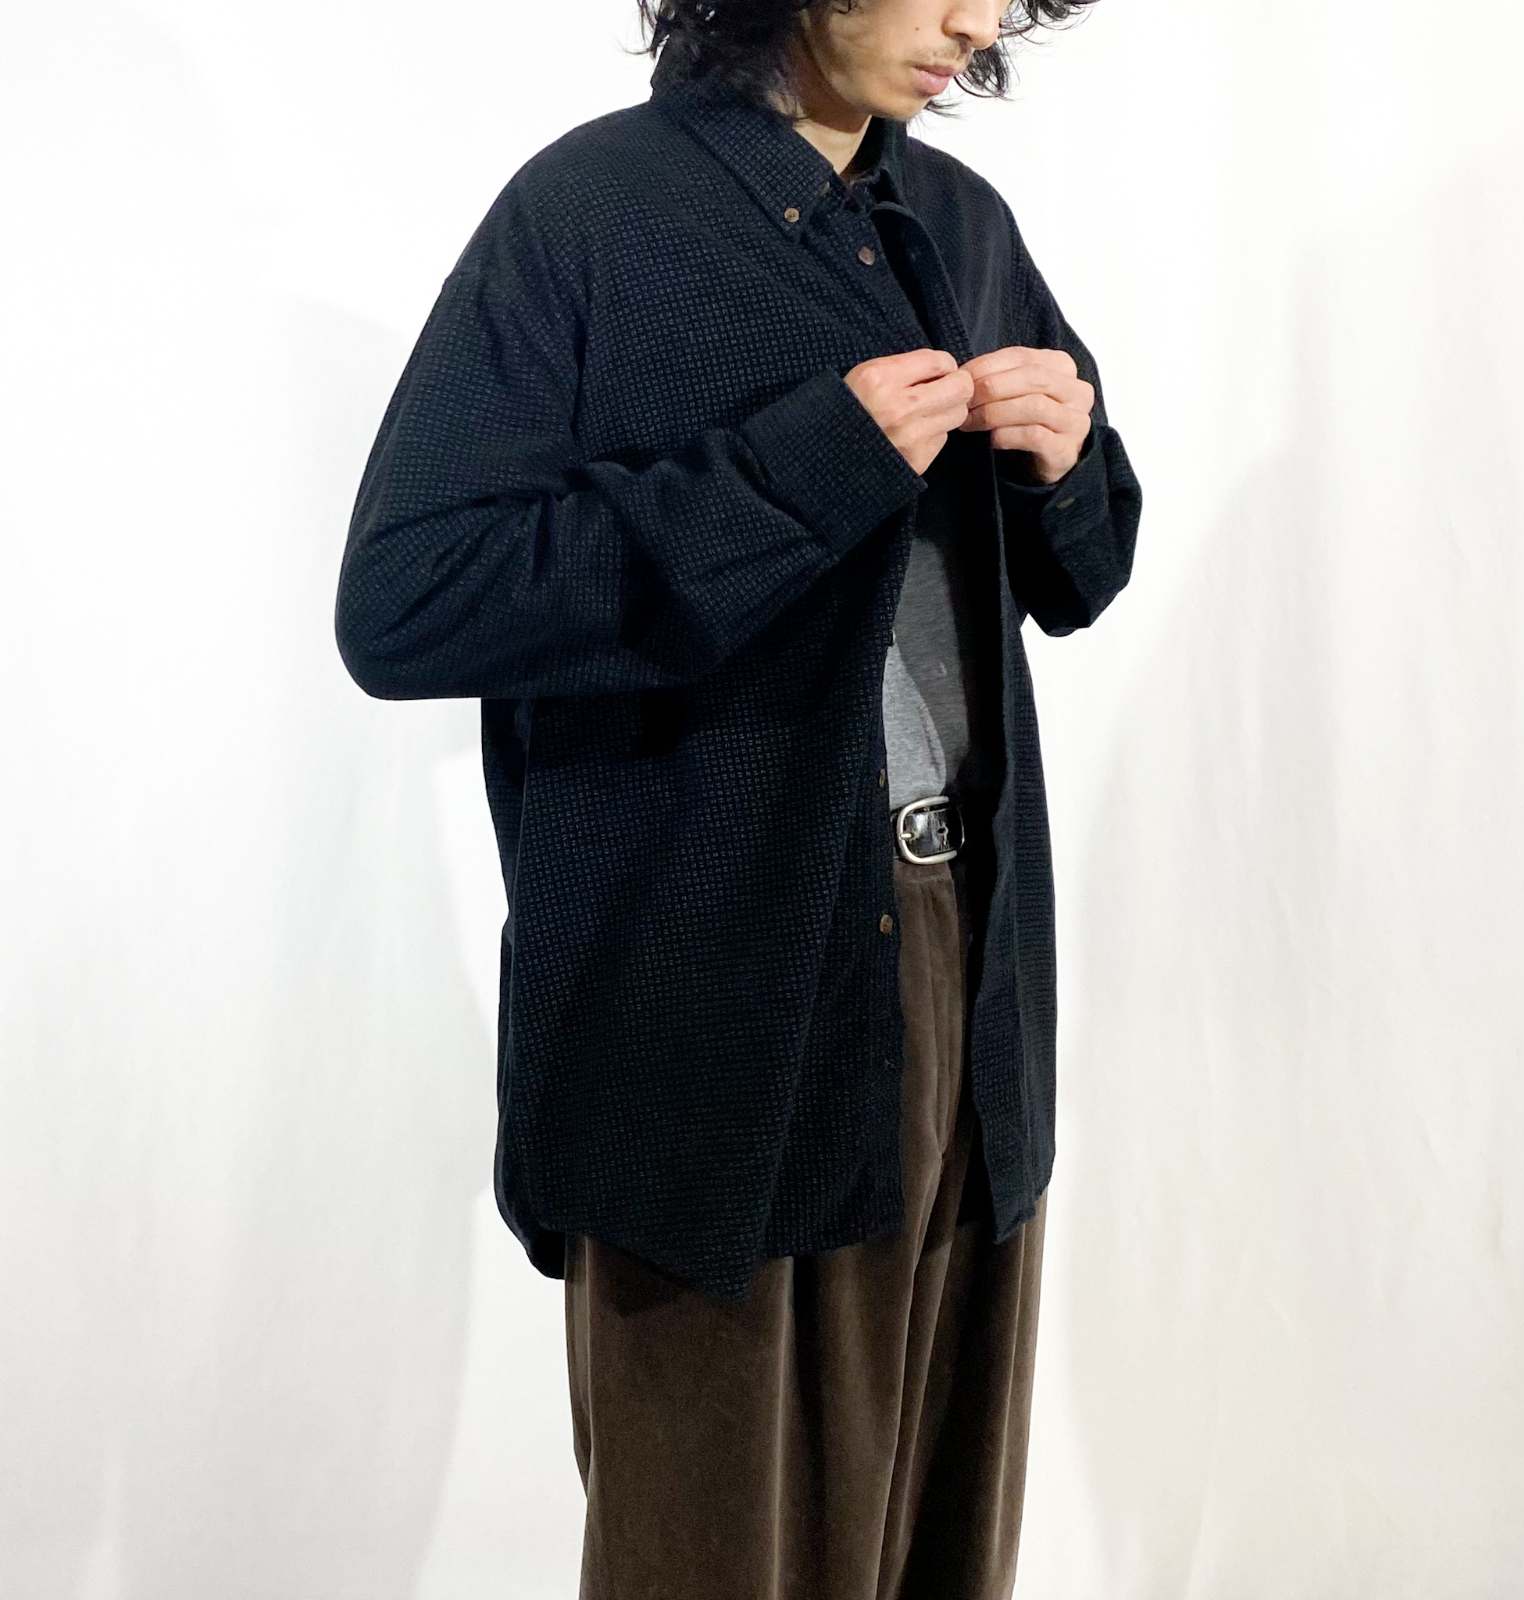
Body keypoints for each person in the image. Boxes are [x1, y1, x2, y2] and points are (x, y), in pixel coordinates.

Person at [335, 1, 1141, 1593]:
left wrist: (1072, 462)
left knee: (943, 1539)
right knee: (715, 1553)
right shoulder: (592, 214)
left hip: (970, 975)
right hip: (709, 1000)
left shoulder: (961, 221)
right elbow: (410, 600)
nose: (974, 19)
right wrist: (792, 475)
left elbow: (1082, 574)